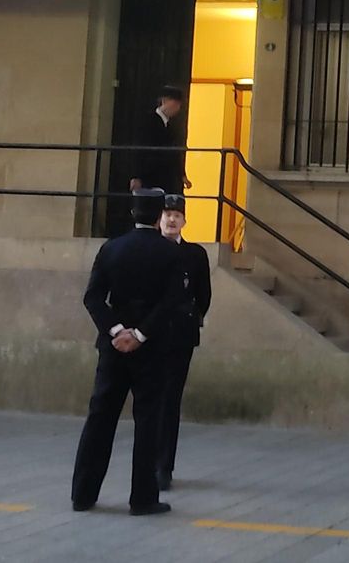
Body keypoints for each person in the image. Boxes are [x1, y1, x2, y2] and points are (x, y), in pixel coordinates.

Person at [71, 189, 185, 516]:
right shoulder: (170, 253)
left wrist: (116, 330)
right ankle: (143, 497)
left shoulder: (111, 248)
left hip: (113, 348)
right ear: (158, 216)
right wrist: (140, 333)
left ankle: (83, 493)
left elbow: (93, 297)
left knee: (100, 417)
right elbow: (172, 301)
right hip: (152, 348)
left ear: (133, 213)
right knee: (148, 421)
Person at [154, 193, 213, 492]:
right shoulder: (147, 249)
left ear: (184, 221)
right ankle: (146, 463)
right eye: (167, 214)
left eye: (177, 215)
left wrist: (188, 319)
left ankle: (163, 466)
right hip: (149, 336)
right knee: (150, 400)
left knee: (170, 400)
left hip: (179, 335)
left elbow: (203, 296)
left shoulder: (194, 255)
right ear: (159, 219)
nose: (172, 219)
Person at [129, 85, 186, 194]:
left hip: (165, 176)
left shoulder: (170, 126)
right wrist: (136, 175)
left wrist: (181, 175)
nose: (177, 108)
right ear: (164, 101)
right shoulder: (148, 121)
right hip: (149, 173)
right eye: (175, 104)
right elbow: (139, 148)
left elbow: (174, 152)